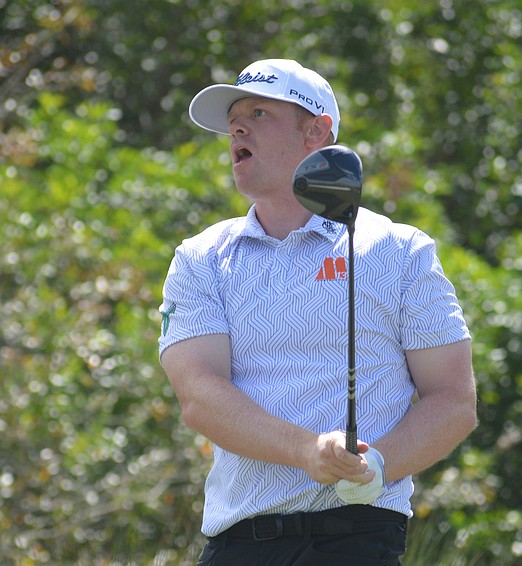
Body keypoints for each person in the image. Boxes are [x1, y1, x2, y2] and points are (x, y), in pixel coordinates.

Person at [157, 58, 477, 565]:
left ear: (317, 131)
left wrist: (378, 463)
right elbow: (200, 396)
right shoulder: (201, 258)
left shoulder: (400, 250)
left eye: (259, 114)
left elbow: (454, 400)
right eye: (234, 120)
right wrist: (307, 451)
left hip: (359, 537)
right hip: (241, 543)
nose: (237, 127)